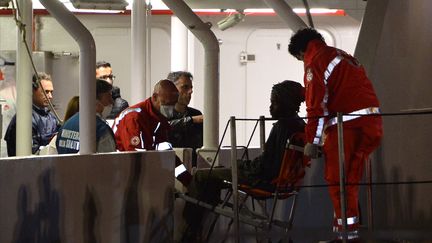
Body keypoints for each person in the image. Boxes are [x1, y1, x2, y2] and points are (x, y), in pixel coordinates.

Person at [288, 28, 383, 239]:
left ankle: (346, 235)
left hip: (347, 128)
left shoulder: (315, 62)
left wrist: (312, 141)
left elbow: (316, 107)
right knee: (349, 182)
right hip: (371, 124)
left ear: (303, 51)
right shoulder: (343, 56)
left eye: (300, 58)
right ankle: (349, 231)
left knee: (338, 182)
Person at [183, 80, 306, 242]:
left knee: (201, 175)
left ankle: (189, 230)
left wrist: (244, 166)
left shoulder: (281, 127)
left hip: (264, 181)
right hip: (284, 182)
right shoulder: (299, 124)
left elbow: (267, 167)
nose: (270, 107)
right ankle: (203, 212)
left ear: (285, 103)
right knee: (217, 173)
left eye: (274, 103)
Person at [112, 79, 193, 186]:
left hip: (141, 177)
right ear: (155, 97)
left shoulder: (159, 118)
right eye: (167, 104)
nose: (170, 109)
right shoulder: (134, 117)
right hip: (123, 176)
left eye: (173, 104)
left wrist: (188, 181)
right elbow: (136, 158)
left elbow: (167, 154)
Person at [4, 72, 60, 156]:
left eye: (51, 92)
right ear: (32, 91)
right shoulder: (23, 119)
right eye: (46, 92)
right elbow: (31, 154)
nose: (50, 96)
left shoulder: (52, 118)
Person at [56, 80, 116, 154]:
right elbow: (108, 161)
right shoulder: (101, 129)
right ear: (95, 99)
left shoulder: (65, 126)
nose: (111, 102)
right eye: (108, 97)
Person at [166, 71, 203, 166]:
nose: (190, 91)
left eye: (191, 87)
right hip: (169, 167)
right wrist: (191, 120)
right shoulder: (162, 114)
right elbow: (165, 127)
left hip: (194, 167)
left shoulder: (196, 113)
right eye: (185, 87)